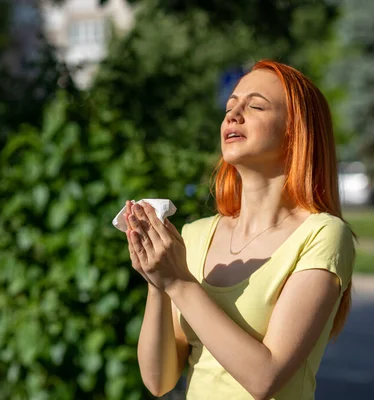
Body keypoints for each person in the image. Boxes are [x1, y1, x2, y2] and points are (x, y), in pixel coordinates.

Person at [124, 60, 355, 400]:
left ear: (296, 130)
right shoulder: (194, 235)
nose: (233, 115)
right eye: (230, 106)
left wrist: (178, 282)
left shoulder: (323, 235)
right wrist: (157, 280)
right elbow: (159, 381)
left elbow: (265, 378)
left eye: (256, 106)